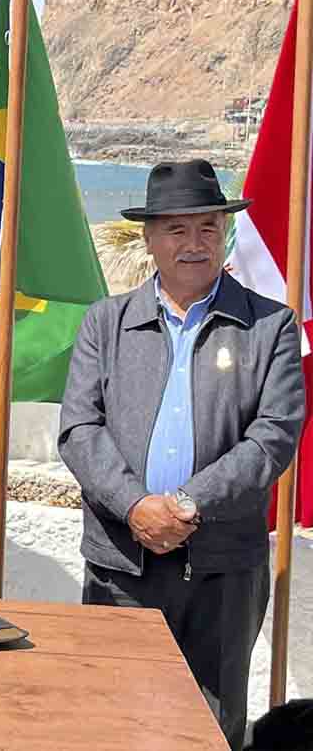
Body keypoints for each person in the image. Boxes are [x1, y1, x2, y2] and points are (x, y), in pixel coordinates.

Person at [58, 159, 305, 751]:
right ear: (149, 238)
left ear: (225, 234)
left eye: (208, 228)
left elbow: (273, 435)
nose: (194, 243)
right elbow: (79, 429)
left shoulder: (271, 325)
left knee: (211, 724)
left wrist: (187, 504)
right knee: (114, 720)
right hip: (122, 565)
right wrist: (136, 505)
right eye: (176, 229)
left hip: (223, 568)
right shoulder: (105, 323)